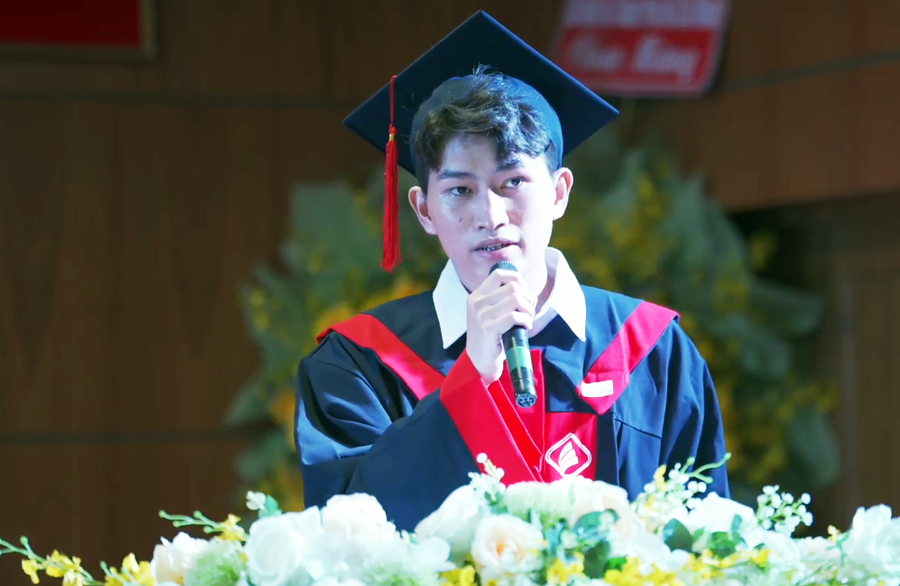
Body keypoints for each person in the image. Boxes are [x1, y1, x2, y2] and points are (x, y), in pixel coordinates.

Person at [295, 10, 729, 530]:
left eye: (513, 183)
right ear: (424, 210)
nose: (491, 216)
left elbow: (706, 544)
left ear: (561, 192)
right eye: (460, 190)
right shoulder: (358, 364)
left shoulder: (654, 352)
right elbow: (344, 539)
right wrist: (471, 377)